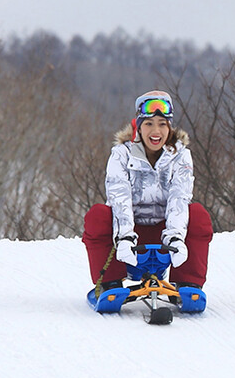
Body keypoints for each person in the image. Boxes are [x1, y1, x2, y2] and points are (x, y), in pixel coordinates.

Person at [83, 90, 213, 305]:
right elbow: (119, 197)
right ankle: (109, 285)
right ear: (139, 126)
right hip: (129, 237)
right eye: (149, 124)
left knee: (198, 214)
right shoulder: (121, 154)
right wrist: (124, 236)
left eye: (162, 123)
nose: (156, 130)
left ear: (170, 127)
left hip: (164, 236)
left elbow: (179, 198)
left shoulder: (181, 155)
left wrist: (175, 237)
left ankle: (189, 286)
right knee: (97, 215)